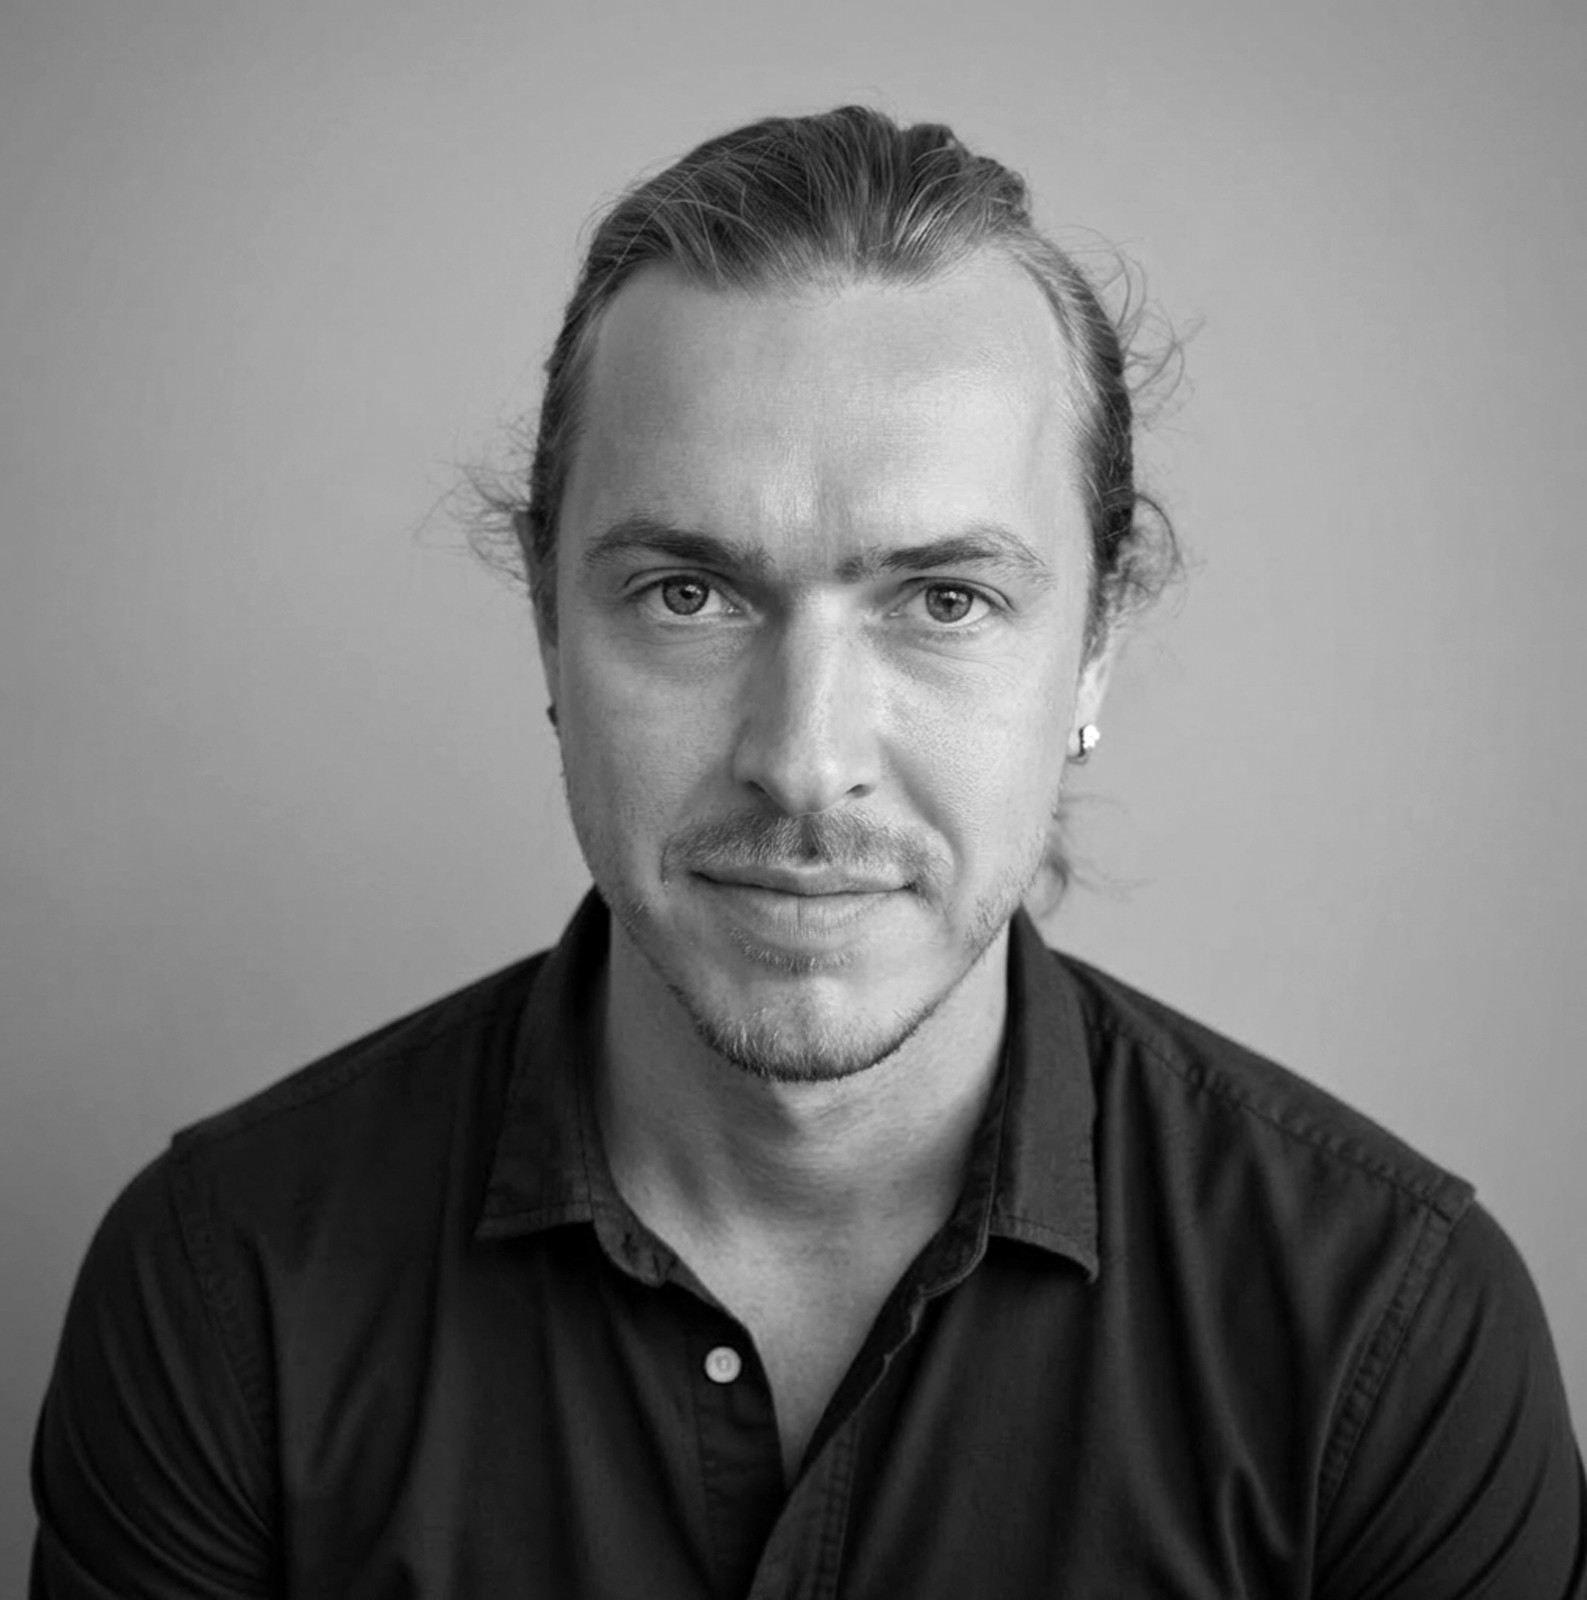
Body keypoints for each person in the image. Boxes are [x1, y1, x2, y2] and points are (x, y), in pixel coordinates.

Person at [30, 106, 1584, 1599]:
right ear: (548, 624)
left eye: (945, 601)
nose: (804, 758)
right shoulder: (226, 1287)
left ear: (1096, 647)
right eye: (688, 596)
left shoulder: (1392, 1339)